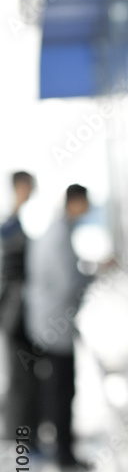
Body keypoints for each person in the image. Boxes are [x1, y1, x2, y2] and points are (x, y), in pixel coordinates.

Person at [23, 184, 94, 469]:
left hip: (46, 322)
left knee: (55, 389)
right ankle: (65, 456)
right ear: (75, 202)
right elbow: (68, 284)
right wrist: (95, 274)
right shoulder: (59, 235)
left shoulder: (53, 231)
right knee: (63, 391)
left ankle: (60, 449)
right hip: (54, 325)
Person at [1, 171, 41, 443]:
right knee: (21, 379)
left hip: (16, 312)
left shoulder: (15, 224)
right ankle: (21, 437)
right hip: (14, 314)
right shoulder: (9, 227)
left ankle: (22, 435)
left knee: (23, 377)